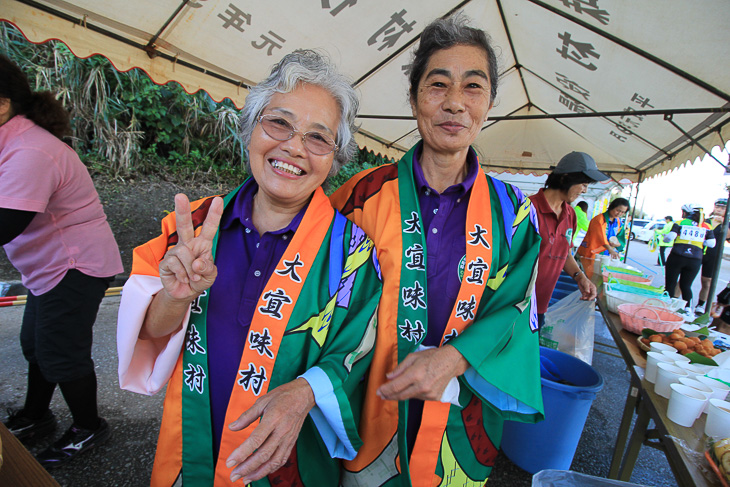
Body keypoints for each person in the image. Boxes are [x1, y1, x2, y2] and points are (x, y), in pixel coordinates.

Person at [116, 50, 382, 486]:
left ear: (334, 160)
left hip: (288, 462)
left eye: (318, 137)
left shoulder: (353, 255)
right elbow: (147, 335)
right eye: (279, 123)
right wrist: (175, 296)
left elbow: (359, 351)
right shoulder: (192, 230)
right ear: (249, 129)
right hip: (191, 451)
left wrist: (306, 391)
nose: (294, 147)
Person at [330, 14, 543, 486]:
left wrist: (454, 357)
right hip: (369, 407)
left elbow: (520, 306)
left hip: (460, 422)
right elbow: (312, 289)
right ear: (413, 99)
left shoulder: (514, 213)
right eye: (437, 84)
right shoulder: (360, 198)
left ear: (489, 102)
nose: (454, 103)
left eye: (473, 87)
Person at [0, 54, 123, 466]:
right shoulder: (13, 141)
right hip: (47, 266)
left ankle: (89, 426)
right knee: (36, 345)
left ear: (2, 105)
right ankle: (36, 415)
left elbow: (6, 223)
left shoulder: (31, 150)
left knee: (60, 352)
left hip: (74, 265)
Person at [529, 152, 607, 329]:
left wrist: (581, 278)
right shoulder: (528, 208)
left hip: (542, 302)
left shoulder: (570, 213)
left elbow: (564, 252)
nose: (585, 190)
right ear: (565, 178)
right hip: (517, 302)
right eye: (584, 184)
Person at [664, 203, 715, 319]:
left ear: (687, 213)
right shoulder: (706, 226)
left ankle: (667, 308)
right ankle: (688, 309)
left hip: (677, 256)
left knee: (670, 284)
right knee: (686, 285)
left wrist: (665, 237)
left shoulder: (680, 223)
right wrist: (702, 242)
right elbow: (712, 243)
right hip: (695, 259)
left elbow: (670, 237)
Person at [697, 198, 727, 313]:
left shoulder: (727, 223)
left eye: (722, 208)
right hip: (698, 252)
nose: (719, 210)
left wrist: (724, 222)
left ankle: (700, 305)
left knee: (707, 281)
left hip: (713, 255)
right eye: (717, 207)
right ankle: (679, 301)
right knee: (686, 278)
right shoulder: (705, 220)